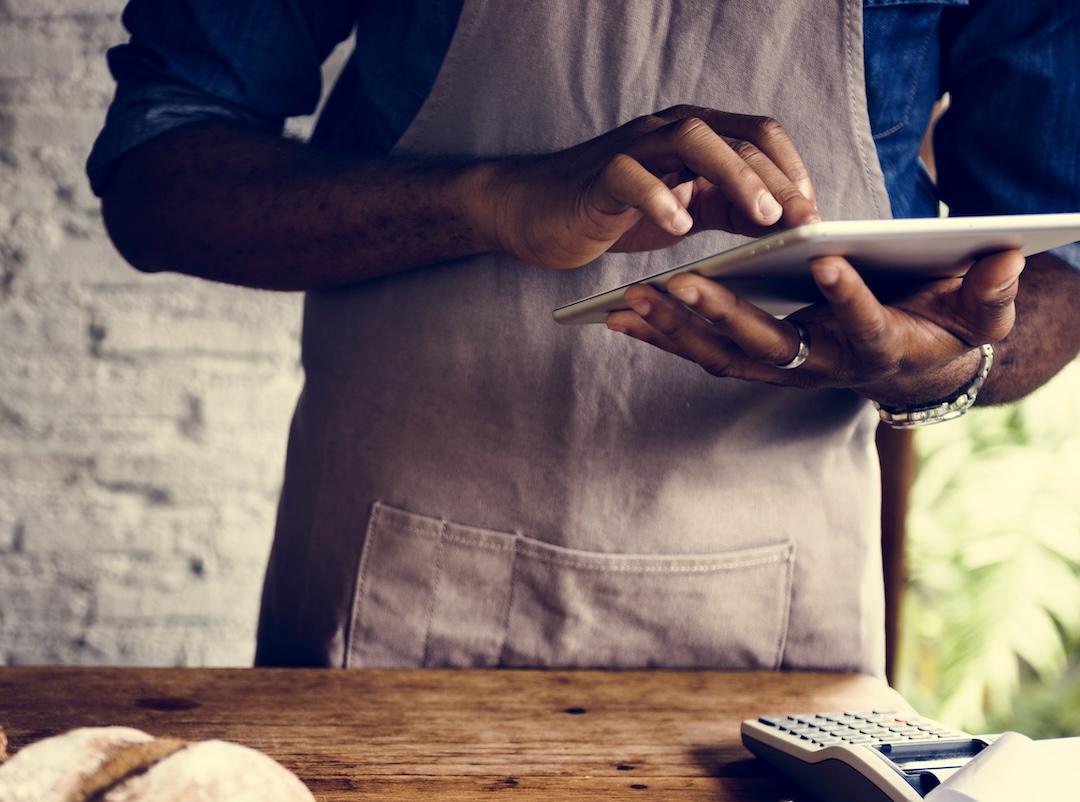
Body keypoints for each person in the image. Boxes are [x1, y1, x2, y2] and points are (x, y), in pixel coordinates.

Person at [87, 1, 1080, 672]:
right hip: (379, 575)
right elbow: (159, 170)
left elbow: (1057, 268)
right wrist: (492, 201)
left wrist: (944, 363)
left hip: (781, 602)